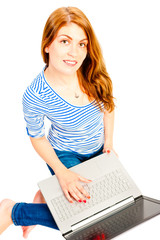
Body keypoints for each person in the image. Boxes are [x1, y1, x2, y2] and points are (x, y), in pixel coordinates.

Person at [0, 6, 115, 239]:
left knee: (107, 208)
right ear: (47, 44)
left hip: (97, 150)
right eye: (65, 41)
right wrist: (61, 172)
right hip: (64, 153)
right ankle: (12, 210)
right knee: (85, 222)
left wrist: (109, 144)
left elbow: (109, 109)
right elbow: (37, 137)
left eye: (82, 44)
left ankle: (46, 195)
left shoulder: (92, 73)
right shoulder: (35, 94)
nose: (75, 52)